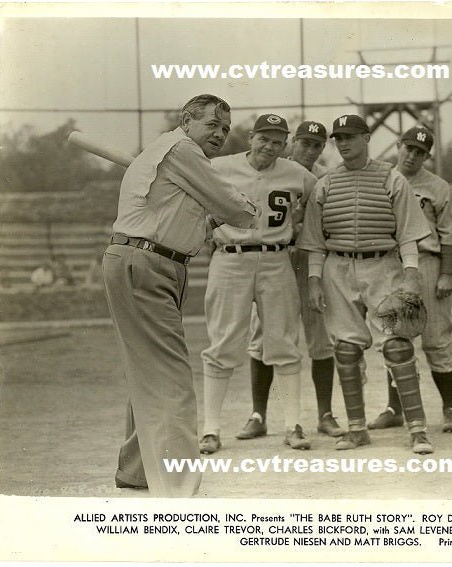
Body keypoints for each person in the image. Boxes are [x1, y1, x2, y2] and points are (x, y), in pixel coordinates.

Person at [102, 94, 257, 497]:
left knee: (149, 370)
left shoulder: (171, 154)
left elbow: (195, 221)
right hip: (145, 263)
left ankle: (137, 472)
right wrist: (242, 206)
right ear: (187, 120)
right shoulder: (182, 151)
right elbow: (238, 211)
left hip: (150, 262)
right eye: (212, 126)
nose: (221, 135)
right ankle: (178, 491)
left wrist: (218, 212)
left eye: (225, 129)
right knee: (171, 378)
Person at [298, 114, 435, 454]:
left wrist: (412, 273)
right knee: (345, 348)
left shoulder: (391, 178)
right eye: (338, 138)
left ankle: (417, 429)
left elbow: (407, 234)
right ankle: (356, 429)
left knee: (397, 344)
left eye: (349, 136)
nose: (342, 143)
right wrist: (314, 280)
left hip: (382, 265)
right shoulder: (326, 183)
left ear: (366, 137)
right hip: (338, 268)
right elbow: (315, 241)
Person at [199, 114, 317, 455]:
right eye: (264, 138)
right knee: (222, 344)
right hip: (230, 257)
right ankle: (210, 429)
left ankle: (293, 425)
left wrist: (300, 225)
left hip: (277, 258)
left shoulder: (297, 174)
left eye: (278, 141)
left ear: (286, 145)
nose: (270, 146)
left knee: (283, 343)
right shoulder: (219, 167)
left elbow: (320, 196)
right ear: (251, 137)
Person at [246, 121, 344, 438]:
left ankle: (325, 414)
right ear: (292, 143)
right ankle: (258, 415)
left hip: (309, 261)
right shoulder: (270, 173)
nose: (309, 150)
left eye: (316, 145)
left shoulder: (322, 180)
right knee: (263, 336)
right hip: (275, 259)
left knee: (319, 336)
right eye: (304, 143)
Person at [367, 126, 452, 433]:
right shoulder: (381, 180)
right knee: (393, 338)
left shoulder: (437, 186)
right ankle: (395, 408)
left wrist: (446, 274)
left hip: (427, 262)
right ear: (399, 146)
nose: (412, 155)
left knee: (436, 339)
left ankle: (449, 408)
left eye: (420, 152)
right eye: (408, 148)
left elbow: (450, 236)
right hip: (391, 263)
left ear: (427, 156)